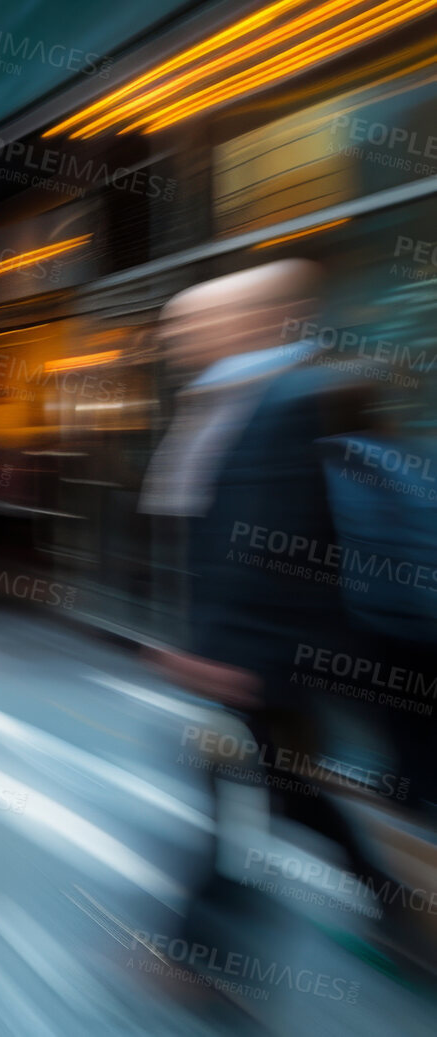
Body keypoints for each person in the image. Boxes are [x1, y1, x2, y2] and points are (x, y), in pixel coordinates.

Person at [138, 261, 407, 961]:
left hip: (266, 652)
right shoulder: (238, 398)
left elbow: (266, 549)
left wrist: (226, 656)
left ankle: (202, 946)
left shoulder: (281, 404)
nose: (175, 338)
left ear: (249, 320)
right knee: (279, 787)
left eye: (190, 323)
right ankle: (393, 907)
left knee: (241, 787)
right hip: (260, 649)